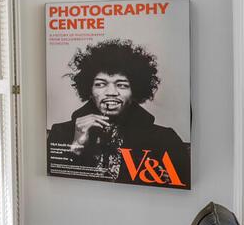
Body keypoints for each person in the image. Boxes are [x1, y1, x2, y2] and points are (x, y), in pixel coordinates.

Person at [47, 38, 189, 187]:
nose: (111, 92)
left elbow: (180, 186)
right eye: (101, 84)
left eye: (121, 85)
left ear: (135, 90)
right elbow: (55, 184)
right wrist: (77, 144)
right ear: (89, 89)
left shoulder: (164, 140)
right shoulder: (61, 132)